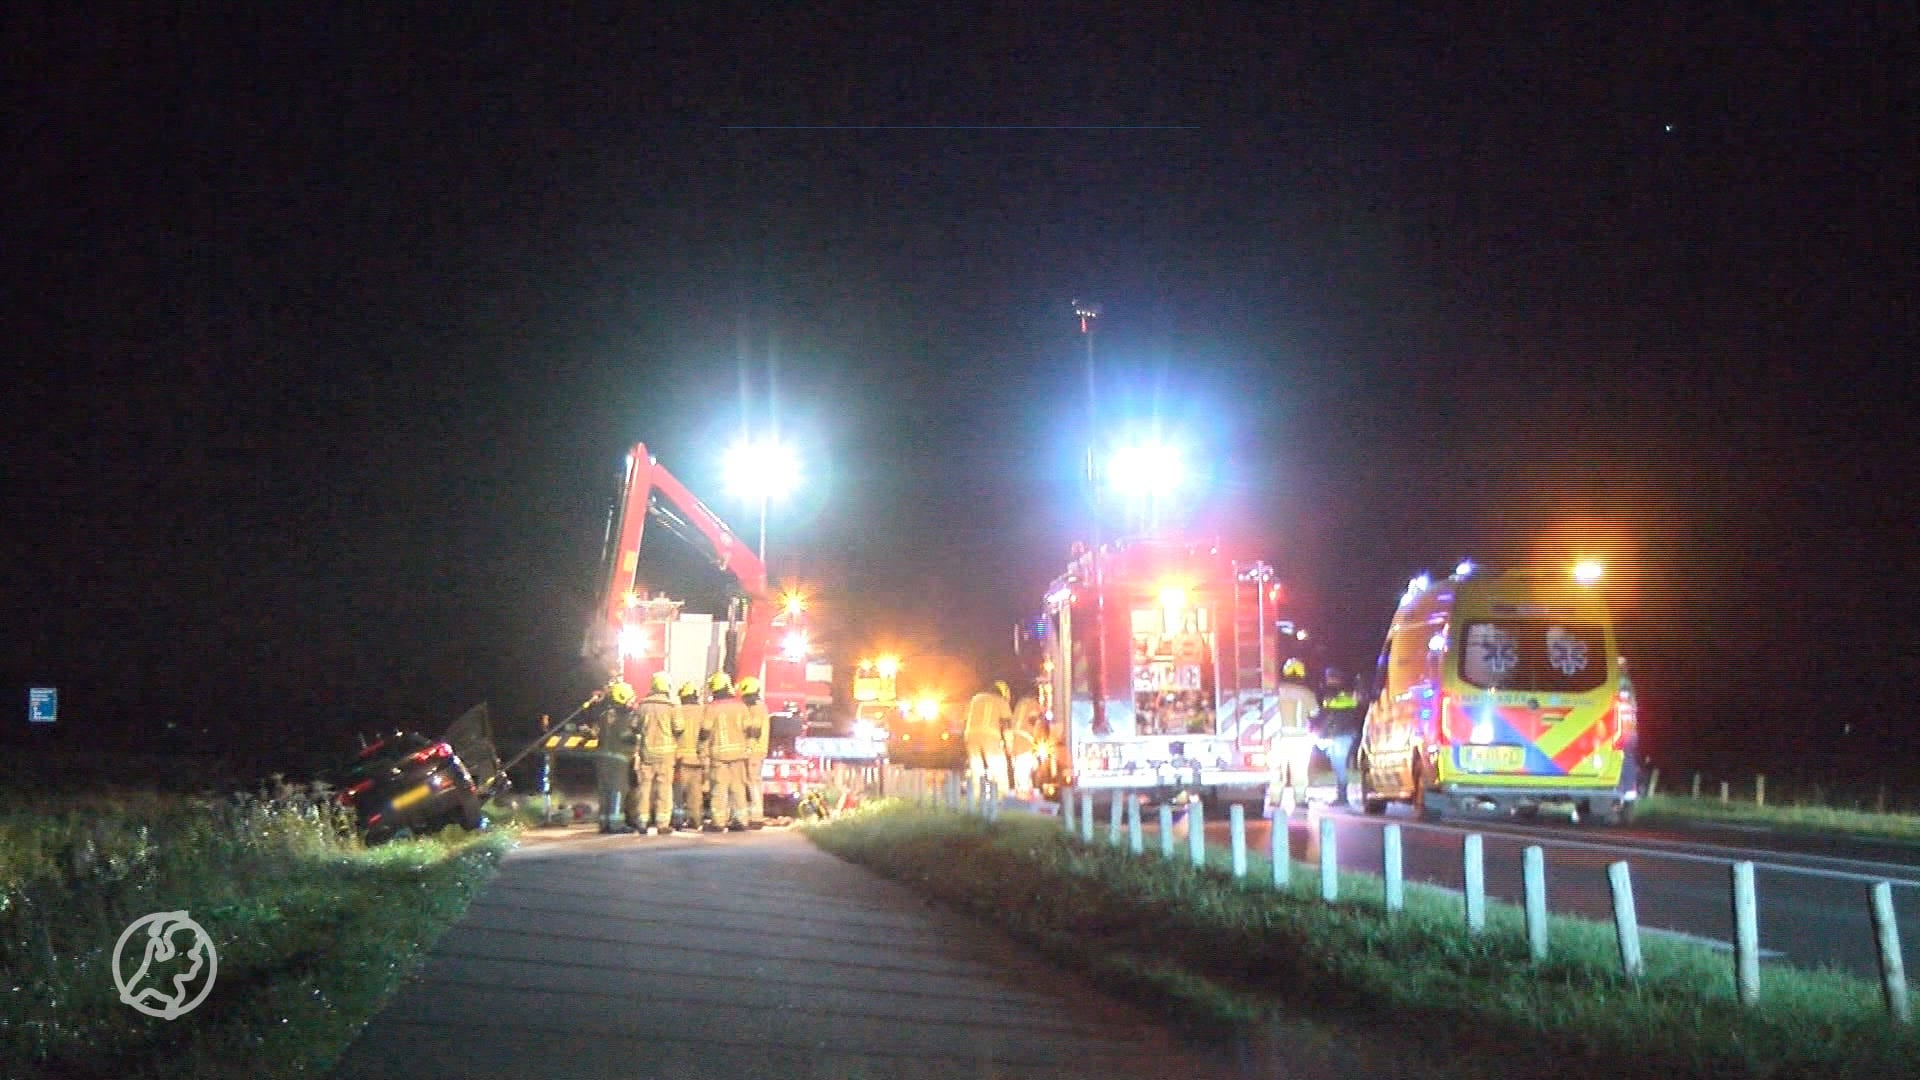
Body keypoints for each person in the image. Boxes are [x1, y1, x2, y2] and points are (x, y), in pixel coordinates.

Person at [631, 672, 682, 834]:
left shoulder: (642, 706)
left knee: (644, 788)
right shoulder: (671, 707)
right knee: (664, 789)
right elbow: (679, 728)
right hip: (666, 754)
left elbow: (634, 726)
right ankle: (662, 824)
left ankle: (642, 823)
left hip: (647, 753)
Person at [703, 672, 753, 832]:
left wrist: (701, 750)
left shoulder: (712, 708)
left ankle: (718, 822)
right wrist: (748, 748)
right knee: (738, 788)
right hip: (739, 754)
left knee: (719, 789)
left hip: (719, 755)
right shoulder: (741, 706)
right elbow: (750, 730)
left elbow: (705, 731)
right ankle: (741, 820)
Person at [1269, 658, 1319, 816]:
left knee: (1276, 771)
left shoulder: (1276, 691)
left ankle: (1275, 799)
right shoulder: (1306, 693)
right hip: (1300, 738)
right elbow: (1314, 713)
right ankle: (1300, 799)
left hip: (1278, 738)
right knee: (1299, 772)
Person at [593, 677, 639, 833]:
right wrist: (638, 737)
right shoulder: (625, 717)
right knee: (619, 791)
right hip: (619, 759)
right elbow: (626, 736)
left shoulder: (605, 715)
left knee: (605, 791)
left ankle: (604, 824)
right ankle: (616, 824)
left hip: (602, 758)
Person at [1315, 670, 1363, 807]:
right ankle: (1342, 795)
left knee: (1339, 765)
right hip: (1346, 734)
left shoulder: (1331, 695)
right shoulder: (1346, 694)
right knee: (1338, 764)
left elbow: (1327, 716)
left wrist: (1322, 733)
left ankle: (1342, 796)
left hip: (1339, 735)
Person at [963, 681, 1015, 796]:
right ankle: (1001, 795)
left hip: (970, 735)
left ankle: (976, 796)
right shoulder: (1001, 701)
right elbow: (1006, 724)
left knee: (976, 766)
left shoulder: (976, 698)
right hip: (990, 736)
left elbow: (966, 718)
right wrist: (1009, 745)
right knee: (997, 766)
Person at [671, 681, 706, 832]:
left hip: (681, 759)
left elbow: (674, 731)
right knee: (696, 793)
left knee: (678, 793)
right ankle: (696, 820)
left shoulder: (677, 711)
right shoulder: (704, 711)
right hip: (699, 760)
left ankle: (677, 819)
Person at [738, 676, 771, 829]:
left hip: (753, 752)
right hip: (756, 751)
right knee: (752, 782)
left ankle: (756, 817)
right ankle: (754, 816)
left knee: (752, 783)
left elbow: (754, 731)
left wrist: (748, 748)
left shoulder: (756, 708)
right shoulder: (759, 707)